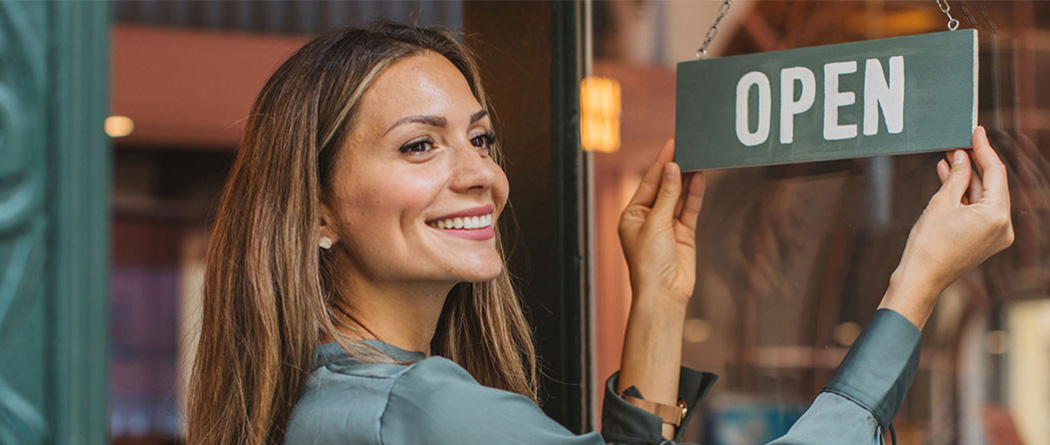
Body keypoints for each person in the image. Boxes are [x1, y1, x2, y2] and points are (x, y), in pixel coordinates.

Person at [186, 23, 1014, 445]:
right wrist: (918, 281)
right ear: (316, 211)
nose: (478, 172)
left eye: (480, 138)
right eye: (418, 144)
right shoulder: (423, 408)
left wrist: (658, 297)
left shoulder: (323, 402)